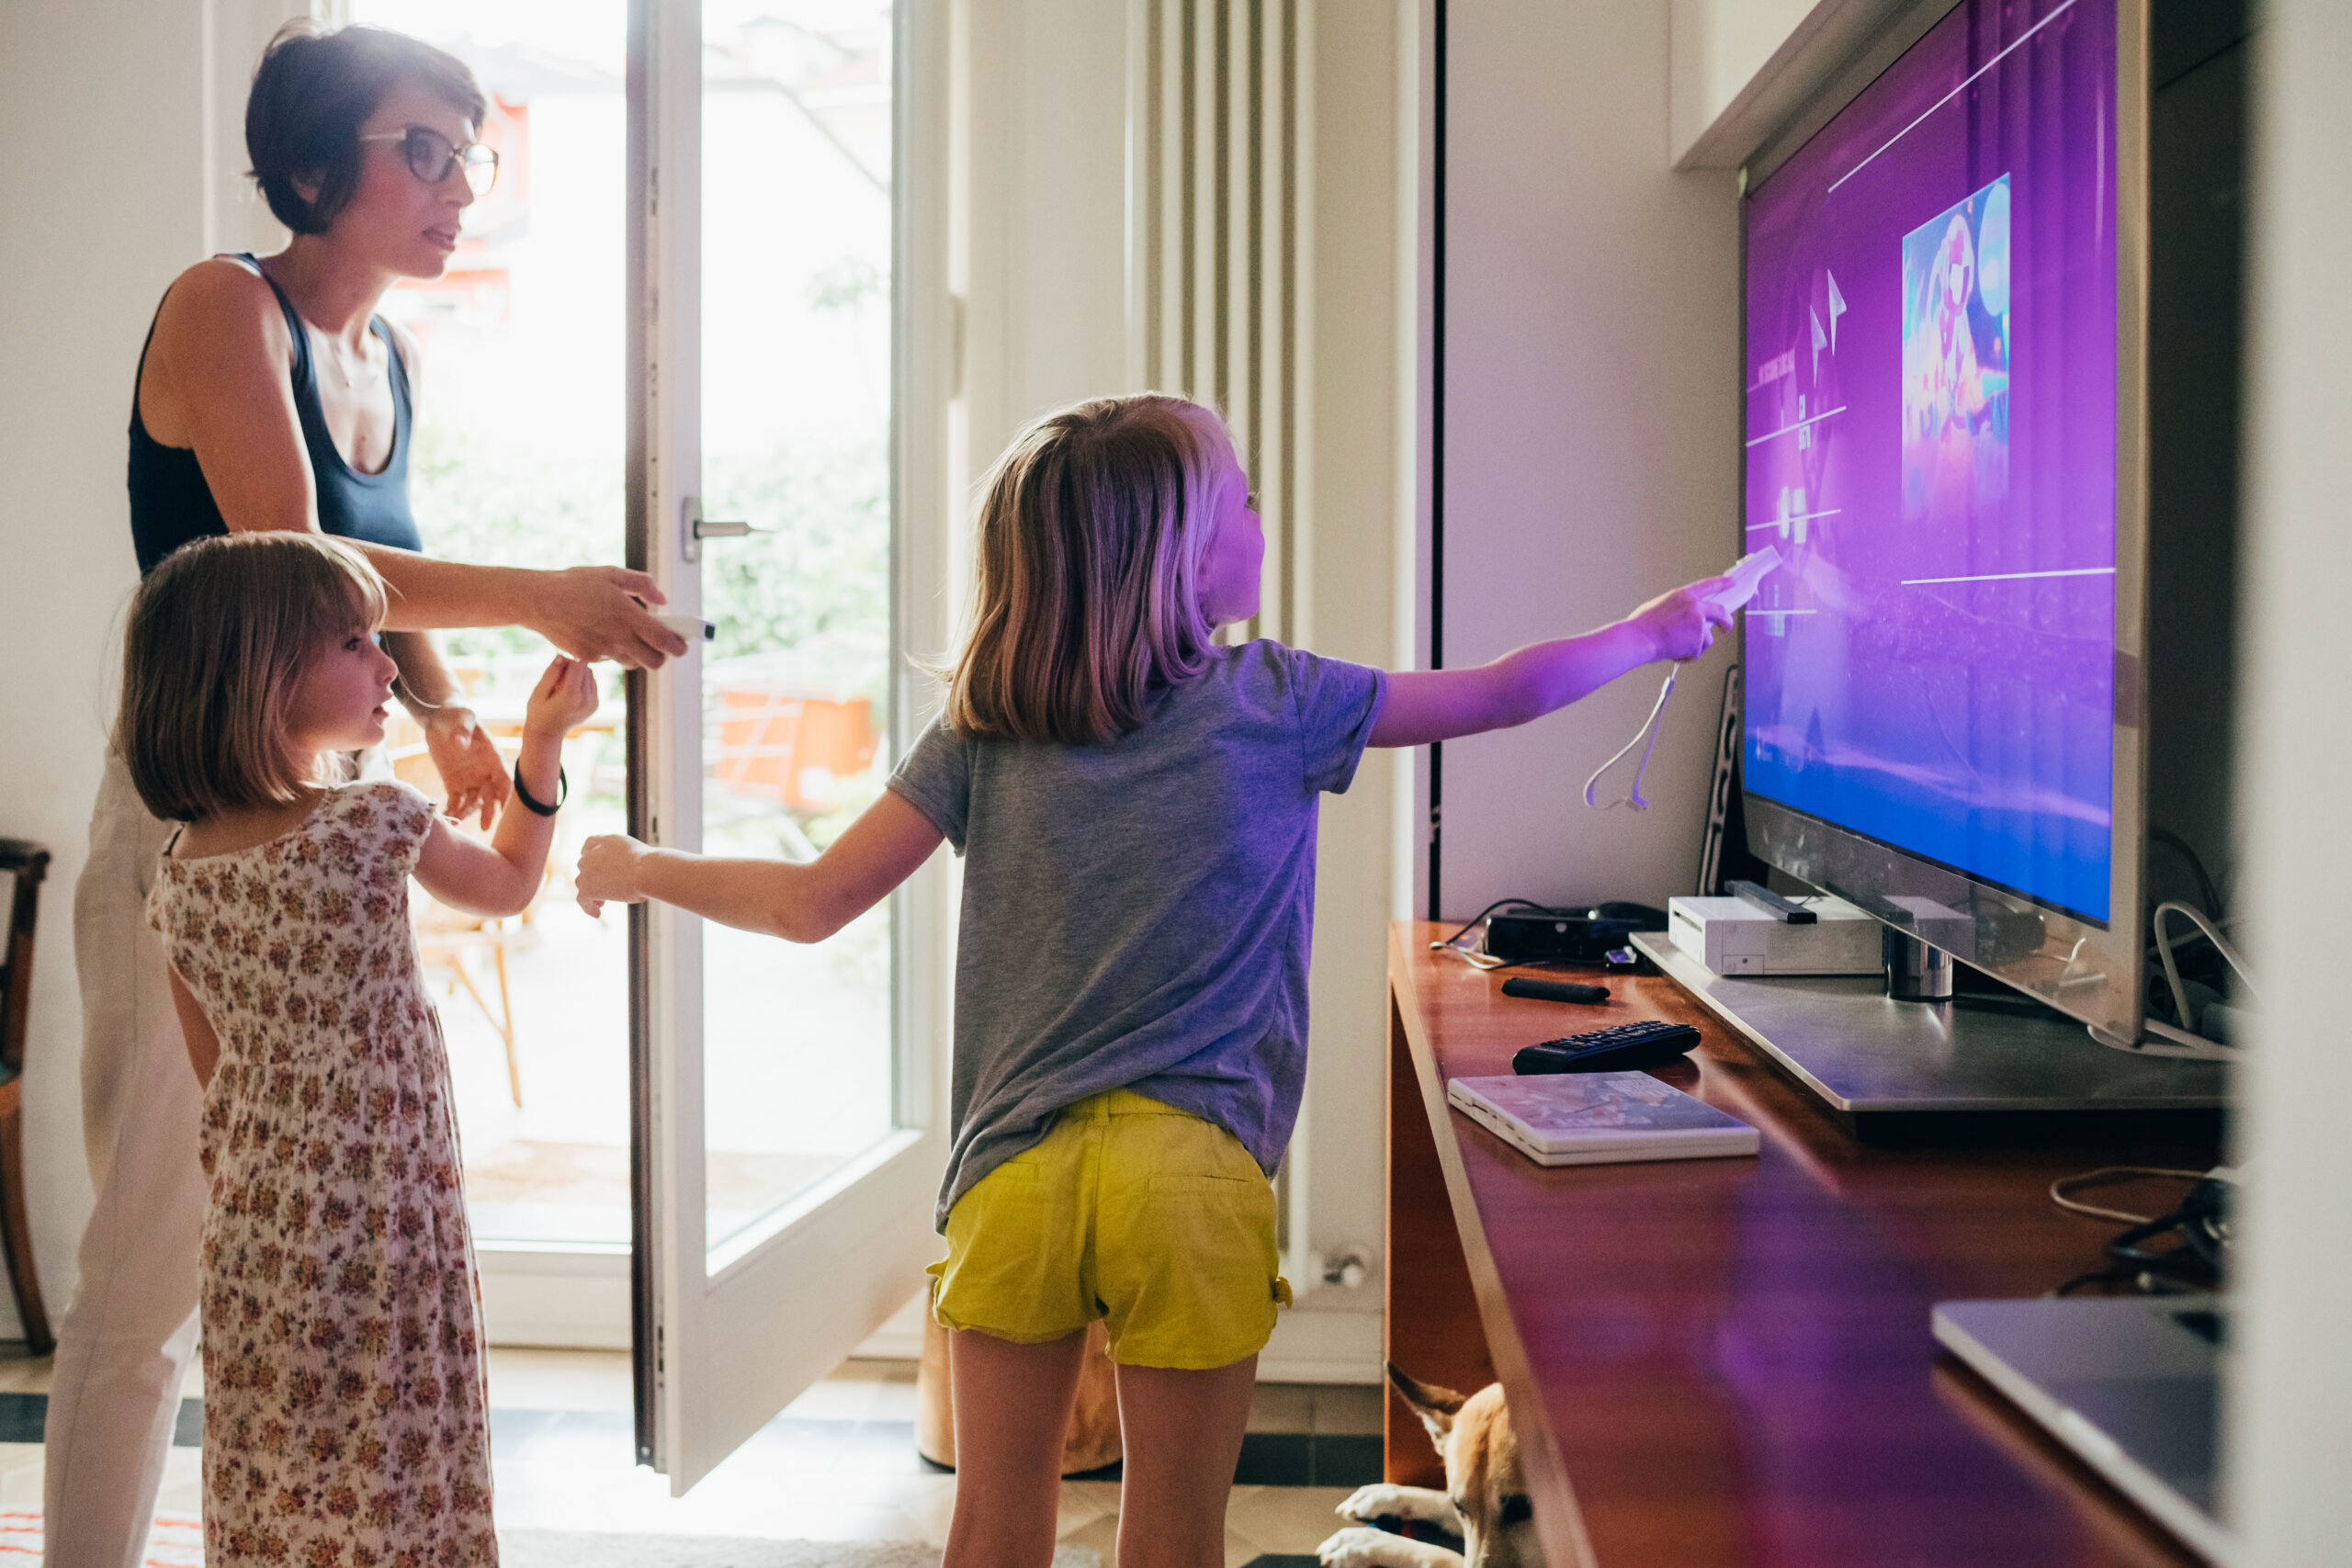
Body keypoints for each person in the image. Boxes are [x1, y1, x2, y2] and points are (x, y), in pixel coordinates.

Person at [569, 393, 1731, 1568]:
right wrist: (1650, 630)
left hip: (1013, 1173)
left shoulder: (984, 726)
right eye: (1242, 499)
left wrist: (639, 864)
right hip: (1194, 1174)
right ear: (1181, 558)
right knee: (1172, 1532)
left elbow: (808, 903)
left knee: (993, 1519)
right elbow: (1493, 693)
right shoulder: (1276, 698)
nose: (1260, 517)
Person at [51, 23, 685, 1565]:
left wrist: (451, 715)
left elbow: (361, 621)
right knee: (144, 1290)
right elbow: (307, 568)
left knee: (278, 1264)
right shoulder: (224, 307)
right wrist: (538, 595)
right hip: (186, 834)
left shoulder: (382, 357)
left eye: (467, 150)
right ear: (318, 165)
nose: (458, 181)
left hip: (308, 806)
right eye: (424, 147)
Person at [121, 532, 594, 1564]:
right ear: (258, 676)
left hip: (259, 1233)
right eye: (354, 642)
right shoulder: (376, 820)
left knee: (284, 1471)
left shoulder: (178, 871)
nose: (388, 666)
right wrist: (542, 746)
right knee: (397, 1466)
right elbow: (512, 887)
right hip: (382, 1224)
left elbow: (220, 1078)